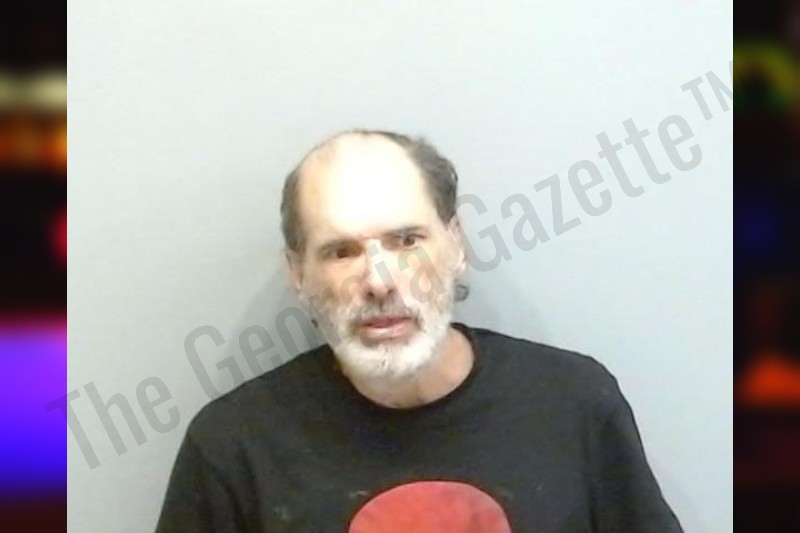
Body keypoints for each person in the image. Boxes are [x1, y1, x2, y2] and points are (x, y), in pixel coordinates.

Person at [156, 130, 683, 532]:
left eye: (407, 240)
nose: (379, 281)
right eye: (341, 251)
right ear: (298, 273)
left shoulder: (573, 403)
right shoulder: (233, 446)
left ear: (456, 246)